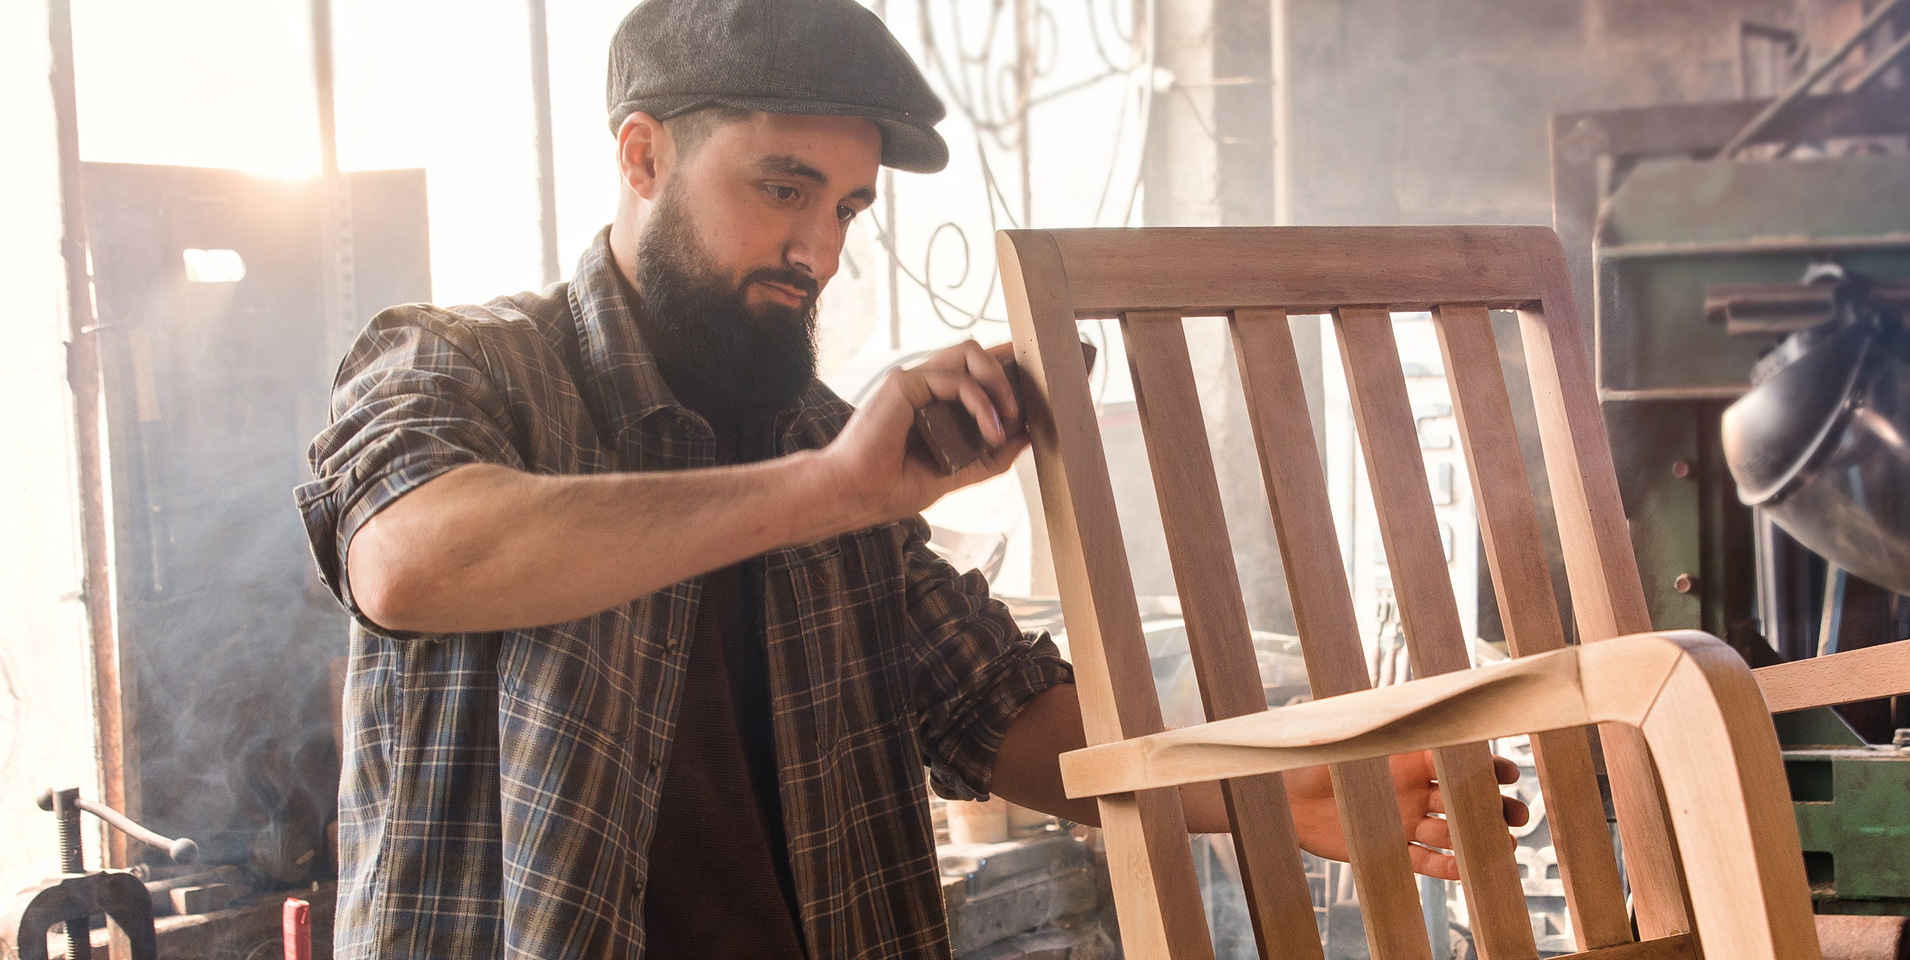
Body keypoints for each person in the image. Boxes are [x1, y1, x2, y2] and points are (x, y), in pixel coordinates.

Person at [298, 1, 1520, 956]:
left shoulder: (821, 441)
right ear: (642, 154)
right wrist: (827, 489)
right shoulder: (459, 365)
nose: (818, 250)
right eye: (782, 188)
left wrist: (1277, 786)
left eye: (846, 207)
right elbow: (411, 559)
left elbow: (999, 710)